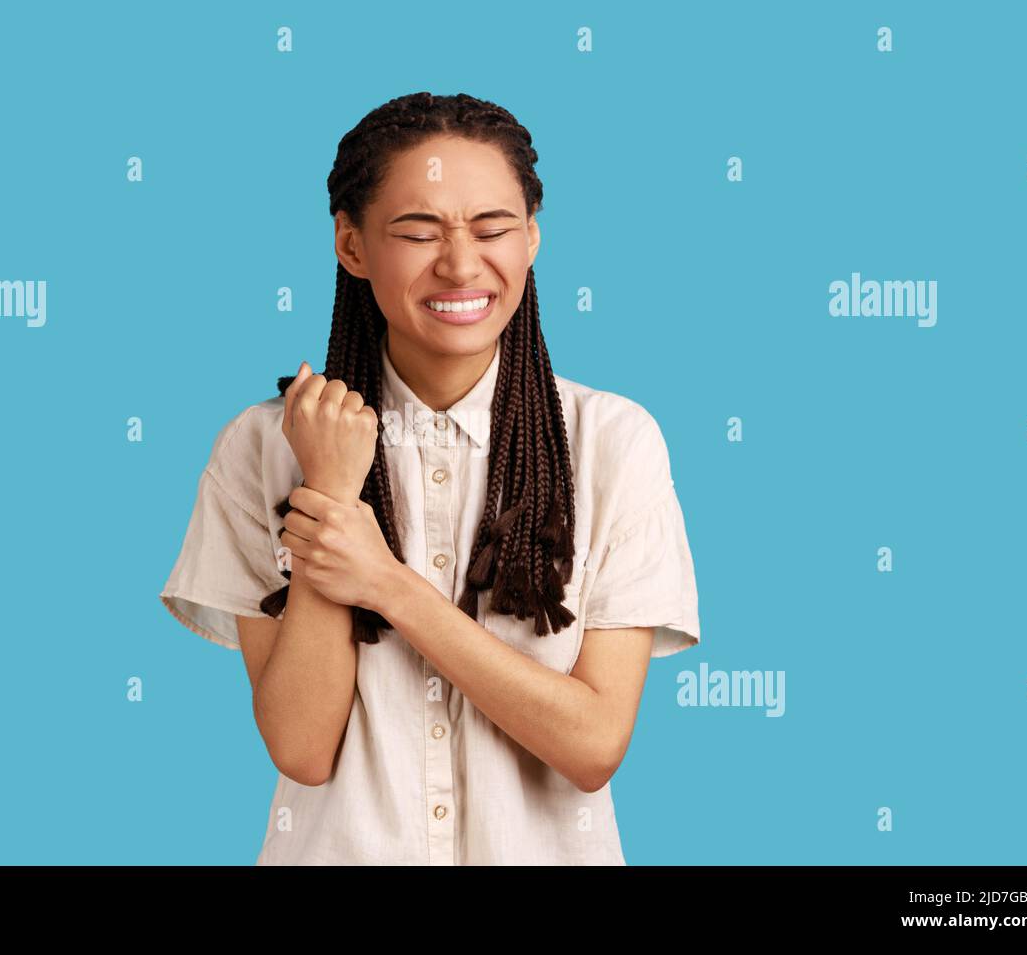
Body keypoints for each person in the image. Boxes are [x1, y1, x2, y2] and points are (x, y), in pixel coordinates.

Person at [159, 91, 700, 865]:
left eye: (493, 229)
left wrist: (386, 584)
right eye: (417, 231)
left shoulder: (613, 443)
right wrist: (330, 492)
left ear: (533, 240)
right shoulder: (263, 446)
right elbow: (303, 749)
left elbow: (592, 745)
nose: (460, 262)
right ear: (351, 245)